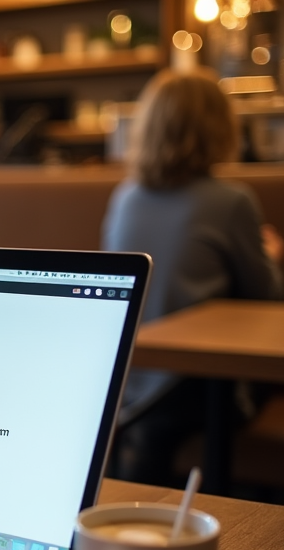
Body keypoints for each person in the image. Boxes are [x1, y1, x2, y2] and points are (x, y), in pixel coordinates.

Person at [101, 68, 284, 485]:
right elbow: (268, 298)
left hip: (126, 379)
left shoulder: (126, 196)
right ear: (217, 128)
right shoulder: (231, 201)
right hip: (194, 391)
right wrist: (272, 256)